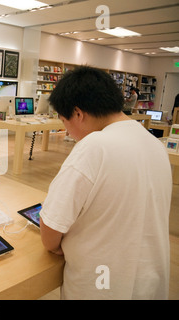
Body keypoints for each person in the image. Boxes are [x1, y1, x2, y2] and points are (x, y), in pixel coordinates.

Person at [39, 66, 171, 300]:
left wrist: (56, 244)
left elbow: (50, 230)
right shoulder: (154, 144)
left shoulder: (94, 146)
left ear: (78, 114)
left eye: (64, 121)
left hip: (100, 285)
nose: (67, 132)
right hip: (148, 279)